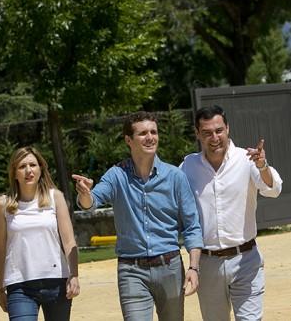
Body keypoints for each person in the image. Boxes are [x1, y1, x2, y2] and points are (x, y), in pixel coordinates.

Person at [72, 111, 203, 321]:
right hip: (131, 271)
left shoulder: (175, 177)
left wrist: (194, 267)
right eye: (143, 133)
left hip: (170, 268)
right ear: (128, 140)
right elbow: (91, 203)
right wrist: (85, 193)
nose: (150, 137)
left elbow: (192, 226)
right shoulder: (116, 175)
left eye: (153, 132)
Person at [180, 105, 283, 321]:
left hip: (246, 259)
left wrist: (263, 166)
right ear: (197, 134)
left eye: (219, 130)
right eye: (207, 133)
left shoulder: (248, 159)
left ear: (227, 128)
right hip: (207, 264)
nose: (214, 138)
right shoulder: (187, 166)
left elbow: (273, 190)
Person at [0, 146, 80, 320]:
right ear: (14, 172)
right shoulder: (2, 204)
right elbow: (0, 249)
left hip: (57, 282)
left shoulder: (56, 197)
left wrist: (74, 275)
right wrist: (0, 288)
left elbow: (69, 241)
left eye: (32, 165)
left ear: (40, 169)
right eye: (22, 166)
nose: (28, 170)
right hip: (19, 286)